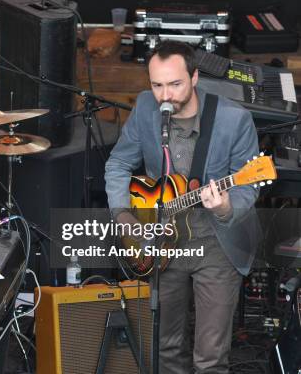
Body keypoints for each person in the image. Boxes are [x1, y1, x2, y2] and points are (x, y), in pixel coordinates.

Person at [104, 41, 261, 373]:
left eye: (174, 84)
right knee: (165, 348)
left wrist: (224, 207)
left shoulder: (234, 120)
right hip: (162, 243)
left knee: (210, 358)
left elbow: (247, 186)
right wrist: (123, 215)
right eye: (157, 85)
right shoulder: (146, 108)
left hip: (217, 245)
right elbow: (118, 163)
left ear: (195, 78)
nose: (165, 95)